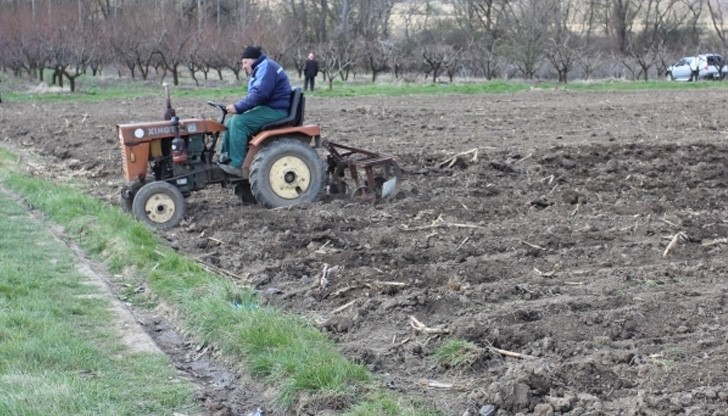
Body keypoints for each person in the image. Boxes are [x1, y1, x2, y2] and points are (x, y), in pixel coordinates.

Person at [218, 45, 291, 177]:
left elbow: (260, 93)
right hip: (268, 107)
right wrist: (238, 107)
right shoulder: (260, 69)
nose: (243, 66)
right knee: (230, 122)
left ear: (253, 59)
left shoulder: (266, 67)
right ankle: (225, 158)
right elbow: (253, 95)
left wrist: (238, 107)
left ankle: (237, 165)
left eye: (245, 62)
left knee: (238, 123)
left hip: (276, 110)